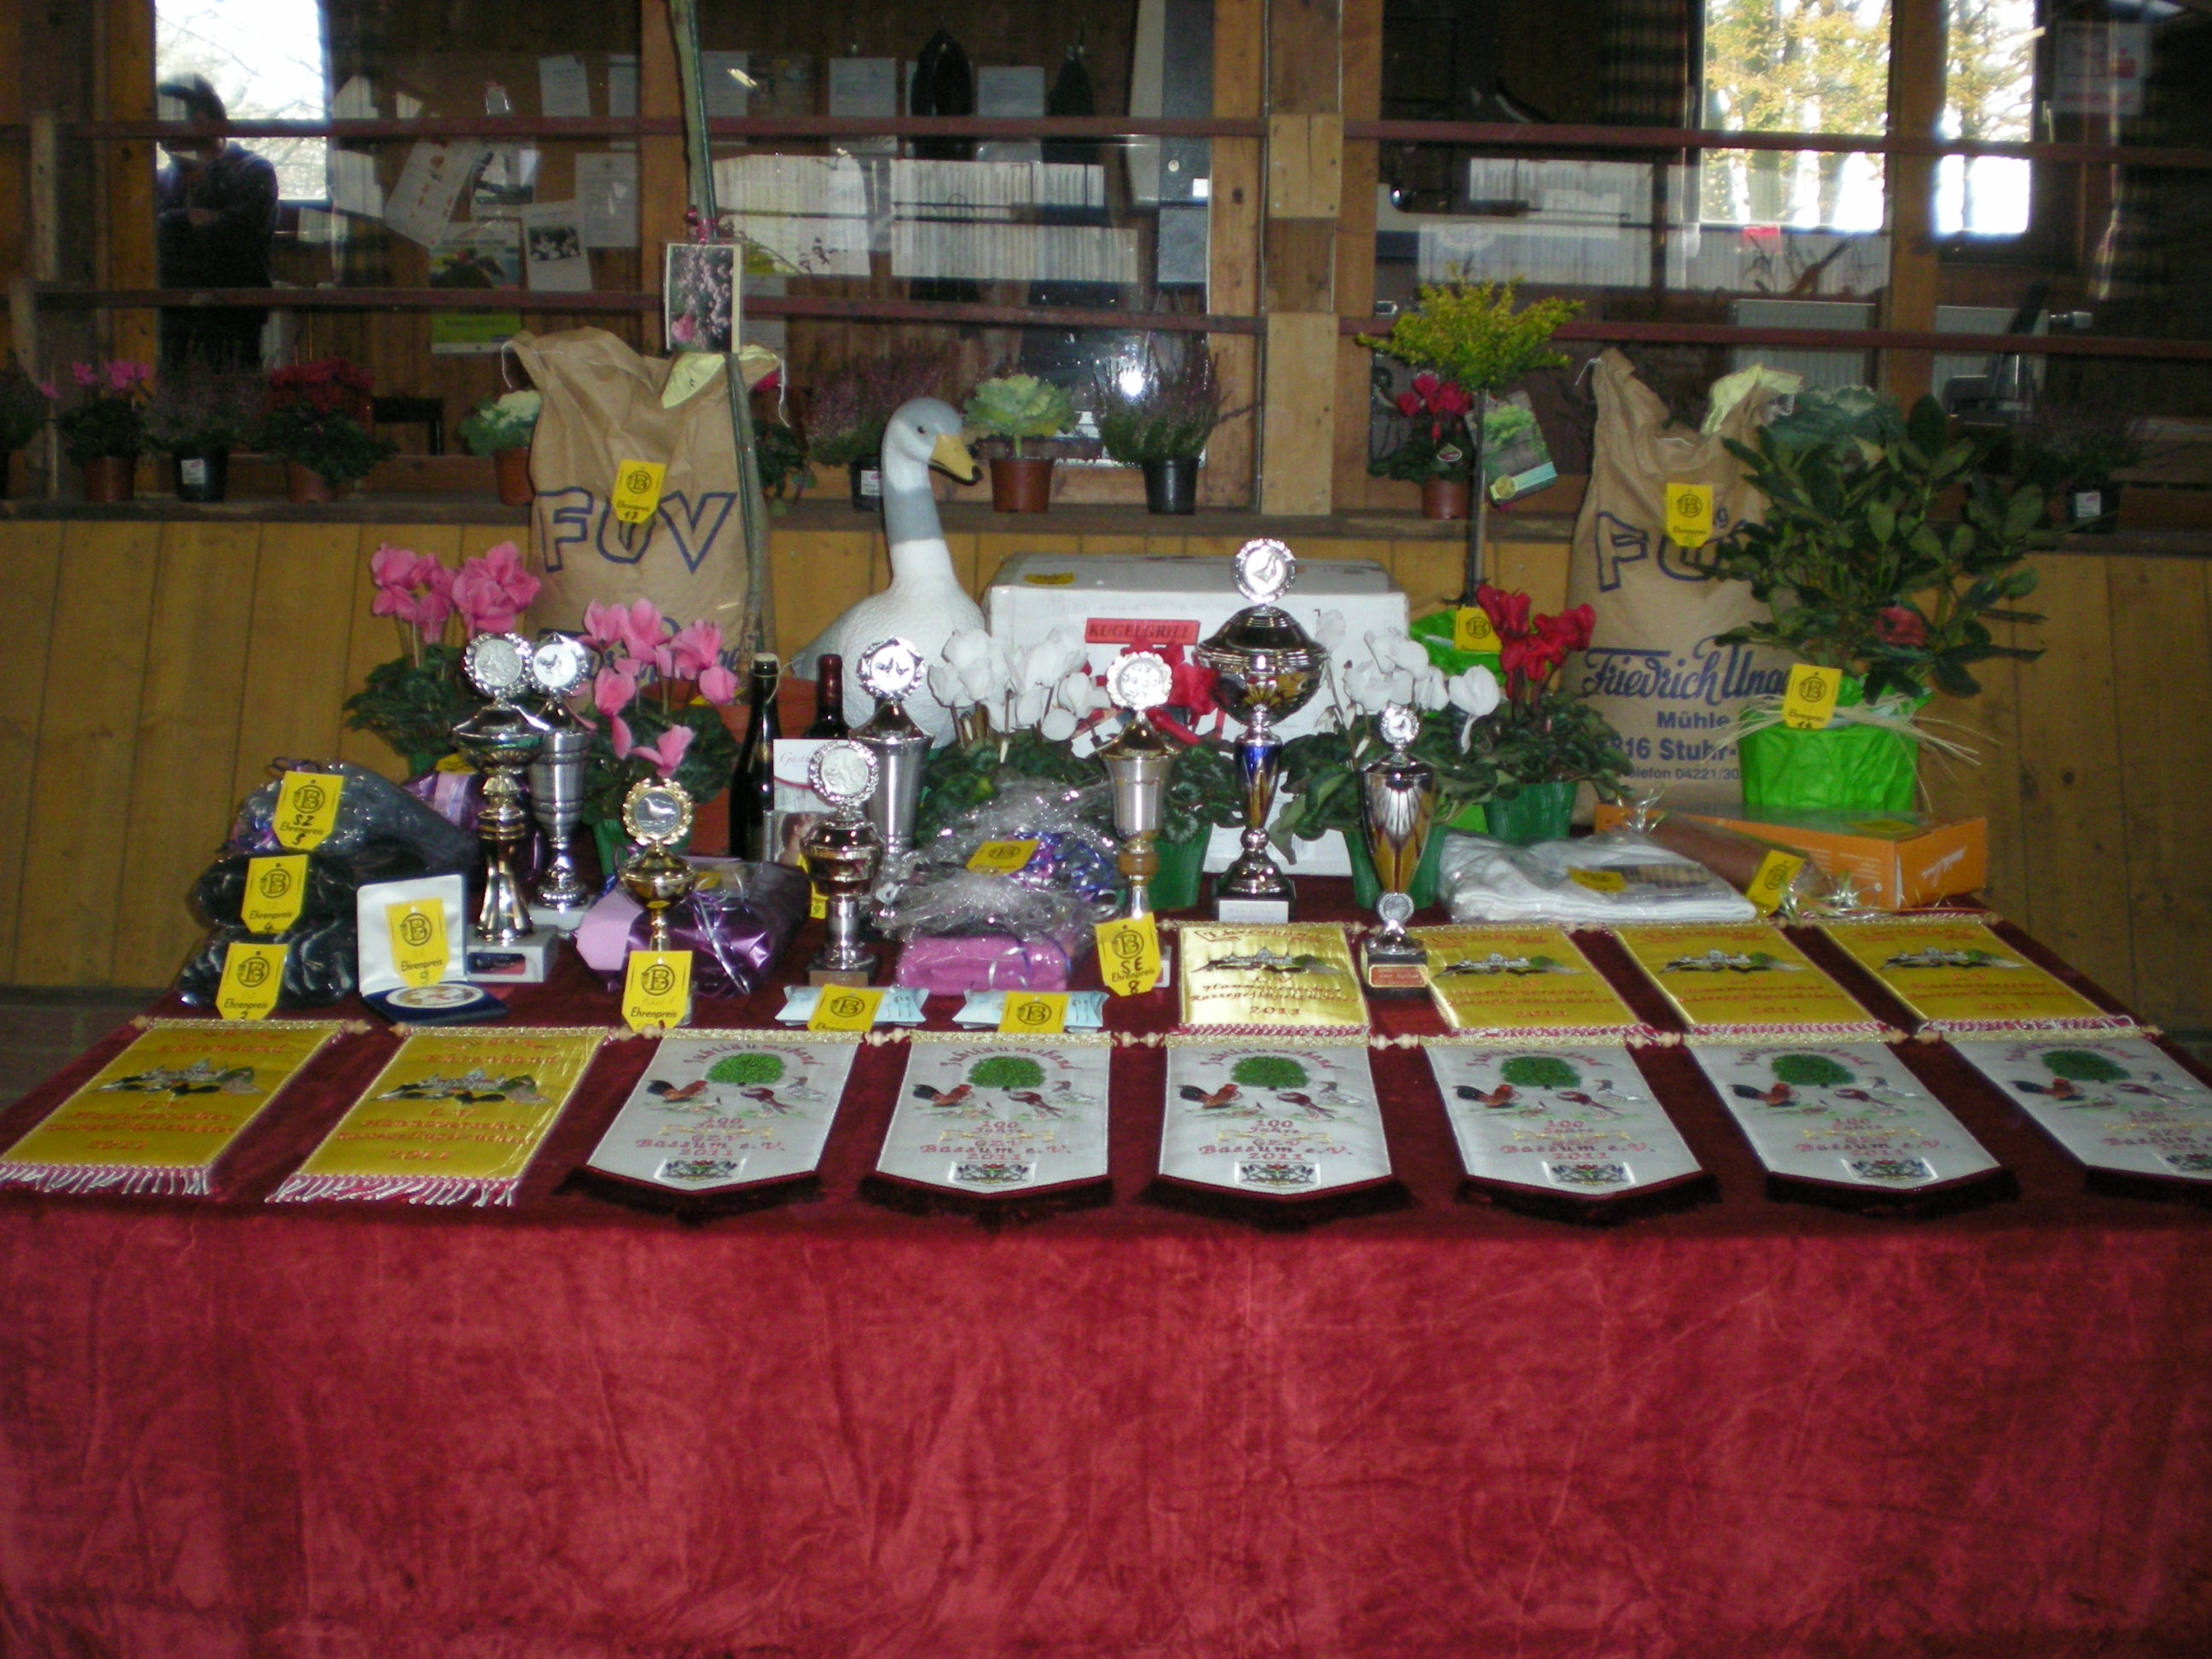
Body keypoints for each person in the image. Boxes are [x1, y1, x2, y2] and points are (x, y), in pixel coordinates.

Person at [154, 74, 277, 371]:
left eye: (167, 122)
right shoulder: (161, 180)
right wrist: (193, 220)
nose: (161, 137)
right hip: (173, 318)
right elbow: (148, 237)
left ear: (202, 119)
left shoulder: (253, 171)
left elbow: (241, 233)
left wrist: (172, 224)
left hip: (234, 317)